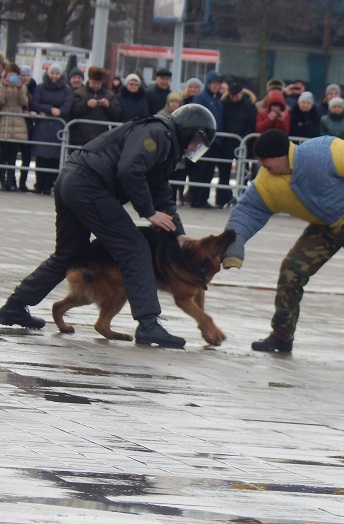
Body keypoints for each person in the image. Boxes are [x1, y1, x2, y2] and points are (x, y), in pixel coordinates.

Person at [0, 104, 217, 349]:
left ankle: (14, 307)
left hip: (72, 181)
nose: (193, 149)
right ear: (188, 131)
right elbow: (129, 169)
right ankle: (148, 324)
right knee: (135, 248)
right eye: (196, 142)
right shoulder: (157, 133)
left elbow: (161, 192)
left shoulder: (166, 143)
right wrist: (148, 212)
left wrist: (178, 234)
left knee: (69, 254)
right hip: (90, 185)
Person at [222, 129, 344, 364]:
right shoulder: (266, 182)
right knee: (291, 270)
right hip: (325, 227)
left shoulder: (320, 153)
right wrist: (233, 247)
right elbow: (247, 212)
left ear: (281, 155)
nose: (260, 164)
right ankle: (281, 336)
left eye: (264, 159)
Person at [31, 63, 73, 195]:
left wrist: (57, 112)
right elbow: (35, 103)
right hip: (42, 127)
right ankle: (39, 185)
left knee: (54, 158)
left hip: (58, 127)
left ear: (61, 75)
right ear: (48, 74)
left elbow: (67, 107)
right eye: (52, 73)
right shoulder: (40, 87)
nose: (54, 76)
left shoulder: (66, 89)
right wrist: (50, 109)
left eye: (57, 73)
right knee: (41, 157)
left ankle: (49, 185)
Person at [188, 70, 224, 208]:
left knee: (208, 172)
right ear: (208, 83)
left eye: (218, 83)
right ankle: (196, 198)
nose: (216, 86)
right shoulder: (200, 98)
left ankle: (203, 198)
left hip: (214, 141)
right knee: (199, 171)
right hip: (201, 140)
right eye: (214, 83)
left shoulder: (217, 99)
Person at [219, 81, 257, 208]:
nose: (233, 97)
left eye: (236, 95)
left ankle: (243, 199)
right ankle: (222, 198)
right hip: (228, 142)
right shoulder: (224, 104)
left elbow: (251, 125)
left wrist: (244, 139)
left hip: (243, 143)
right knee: (224, 173)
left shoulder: (249, 106)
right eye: (232, 95)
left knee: (244, 172)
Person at [69, 66, 121, 147]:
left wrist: (108, 105)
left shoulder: (109, 95)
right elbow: (73, 111)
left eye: (98, 83)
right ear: (89, 80)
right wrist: (86, 104)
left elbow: (117, 113)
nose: (96, 85)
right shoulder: (79, 93)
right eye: (93, 83)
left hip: (101, 138)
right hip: (81, 138)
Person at [0, 63, 29, 191]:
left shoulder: (22, 87)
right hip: (4, 121)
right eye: (10, 73)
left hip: (17, 122)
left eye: (16, 74)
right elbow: (1, 100)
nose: (13, 76)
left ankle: (11, 181)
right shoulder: (1, 85)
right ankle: (2, 181)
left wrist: (20, 88)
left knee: (13, 156)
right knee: (2, 155)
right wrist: (4, 86)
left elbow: (24, 102)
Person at [19, 65, 37, 191]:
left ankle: (22, 182)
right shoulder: (16, 87)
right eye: (23, 75)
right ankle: (9, 181)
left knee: (27, 156)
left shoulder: (35, 88)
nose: (25, 78)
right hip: (18, 122)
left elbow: (36, 103)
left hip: (29, 125)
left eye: (27, 75)